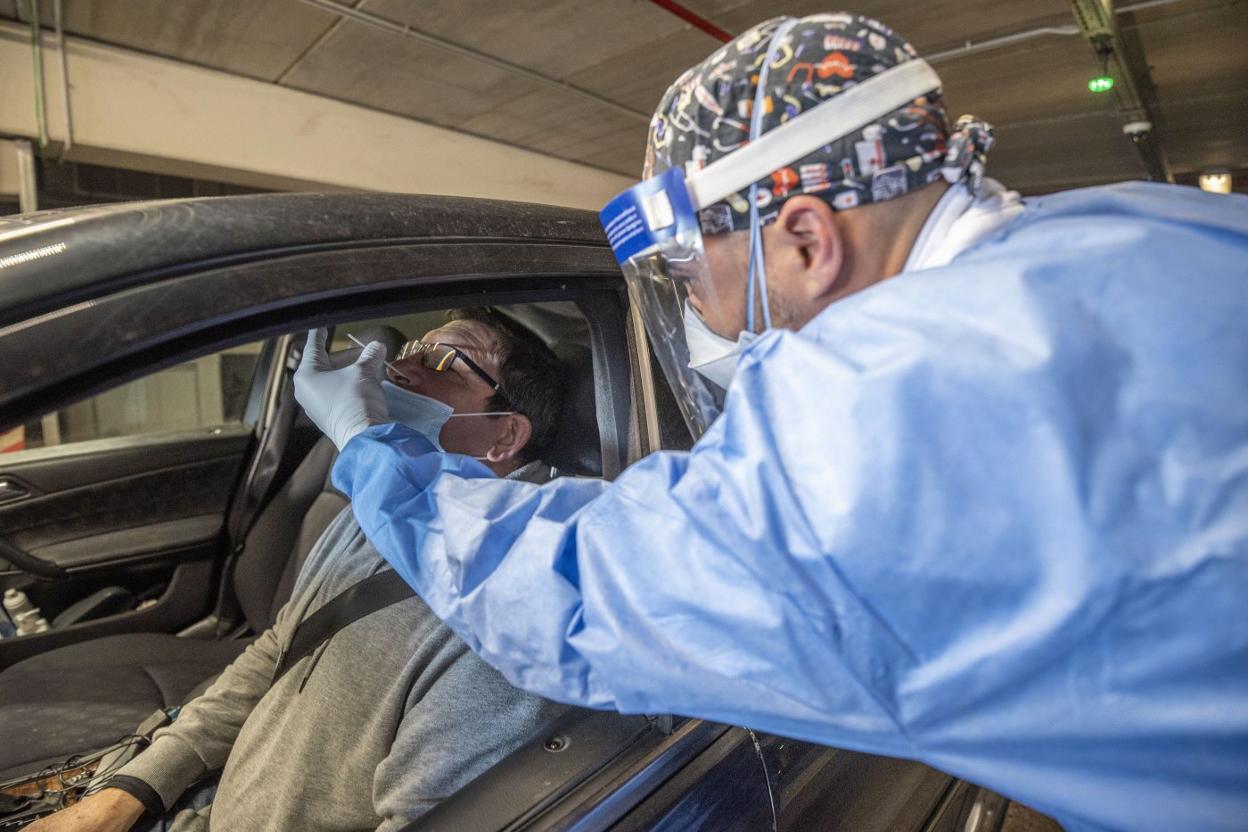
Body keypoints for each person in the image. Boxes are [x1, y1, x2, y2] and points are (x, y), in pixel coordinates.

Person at [293, 14, 1248, 832]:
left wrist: (383, 450)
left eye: (687, 272)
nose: (706, 315)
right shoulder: (1165, 224)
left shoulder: (880, 413)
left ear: (805, 237)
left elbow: (580, 600)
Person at [24, 308, 569, 832]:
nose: (400, 368)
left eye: (444, 362)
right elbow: (276, 650)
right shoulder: (375, 505)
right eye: (412, 350)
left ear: (505, 437)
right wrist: (133, 790)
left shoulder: (507, 615)